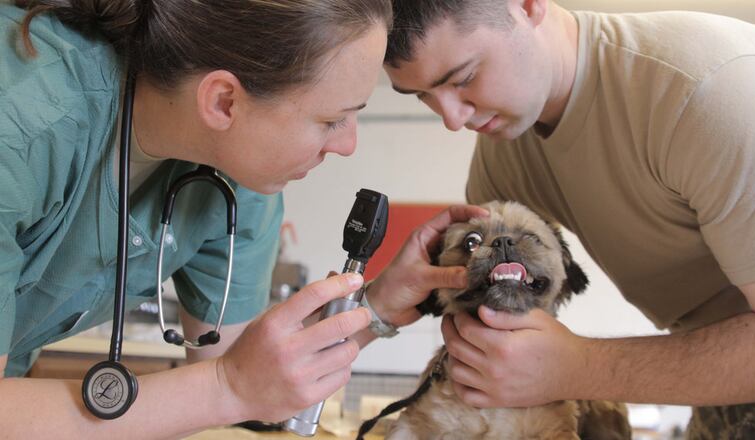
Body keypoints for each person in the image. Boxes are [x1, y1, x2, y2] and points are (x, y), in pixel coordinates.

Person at [0, 1, 487, 437]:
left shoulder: (238, 177)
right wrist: (227, 388)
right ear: (223, 101)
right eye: (332, 119)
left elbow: (249, 374)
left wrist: (375, 305)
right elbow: (229, 383)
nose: (347, 144)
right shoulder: (20, 123)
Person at [383, 0, 755, 438]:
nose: (451, 119)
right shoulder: (504, 147)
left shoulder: (708, 93)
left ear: (525, 6)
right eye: (423, 95)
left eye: (464, 78)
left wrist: (581, 367)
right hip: (721, 379)